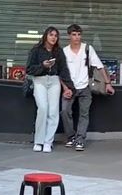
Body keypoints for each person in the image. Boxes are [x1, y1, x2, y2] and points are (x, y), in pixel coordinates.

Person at [61, 23, 115, 151]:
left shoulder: (87, 49)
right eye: (74, 34)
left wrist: (108, 83)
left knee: (84, 114)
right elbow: (60, 72)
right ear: (69, 36)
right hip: (70, 87)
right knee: (65, 111)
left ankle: (80, 139)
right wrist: (65, 88)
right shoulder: (64, 52)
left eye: (79, 34)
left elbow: (99, 66)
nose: (77, 37)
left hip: (85, 87)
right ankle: (71, 137)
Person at [26, 27, 74, 152]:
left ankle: (48, 141)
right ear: (45, 36)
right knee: (42, 108)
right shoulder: (36, 50)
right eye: (51, 35)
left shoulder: (58, 52)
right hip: (40, 80)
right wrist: (43, 65)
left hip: (54, 81)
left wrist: (68, 87)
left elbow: (63, 70)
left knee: (53, 111)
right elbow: (29, 69)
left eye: (56, 36)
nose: (53, 38)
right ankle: (39, 141)